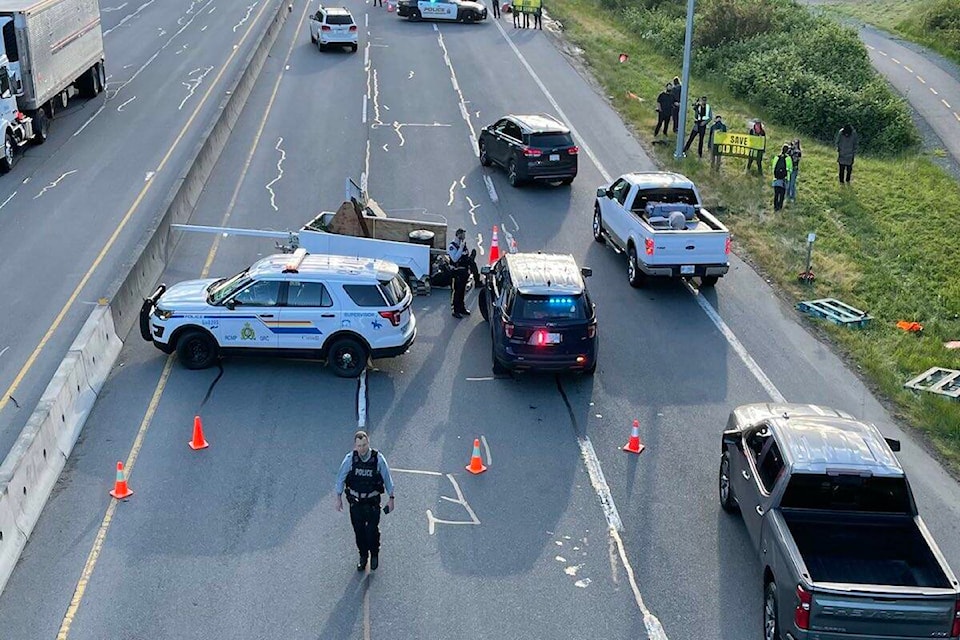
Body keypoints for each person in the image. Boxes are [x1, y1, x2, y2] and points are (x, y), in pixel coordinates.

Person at [336, 431, 395, 572]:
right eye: (359, 446)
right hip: (356, 503)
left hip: (372, 502)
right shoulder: (350, 459)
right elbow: (340, 478)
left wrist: (391, 499)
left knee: (371, 531)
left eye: (364, 445)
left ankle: (374, 554)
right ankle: (363, 556)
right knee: (359, 532)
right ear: (355, 446)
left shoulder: (378, 459)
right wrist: (338, 498)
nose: (362, 449)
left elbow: (387, 479)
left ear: (368, 443)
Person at [448, 228, 480, 319]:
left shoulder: (463, 245)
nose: (465, 236)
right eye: (463, 234)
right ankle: (455, 310)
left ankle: (462, 308)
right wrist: (461, 248)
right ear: (459, 235)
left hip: (464, 272)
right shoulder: (452, 246)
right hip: (456, 273)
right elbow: (455, 258)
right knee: (456, 292)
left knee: (462, 292)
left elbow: (465, 257)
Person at [771, 143, 793, 211]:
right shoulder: (788, 158)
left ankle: (775, 207)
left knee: (776, 194)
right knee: (782, 194)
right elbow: (790, 169)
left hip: (776, 178)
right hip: (784, 179)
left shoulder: (776, 157)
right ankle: (780, 207)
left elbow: (773, 167)